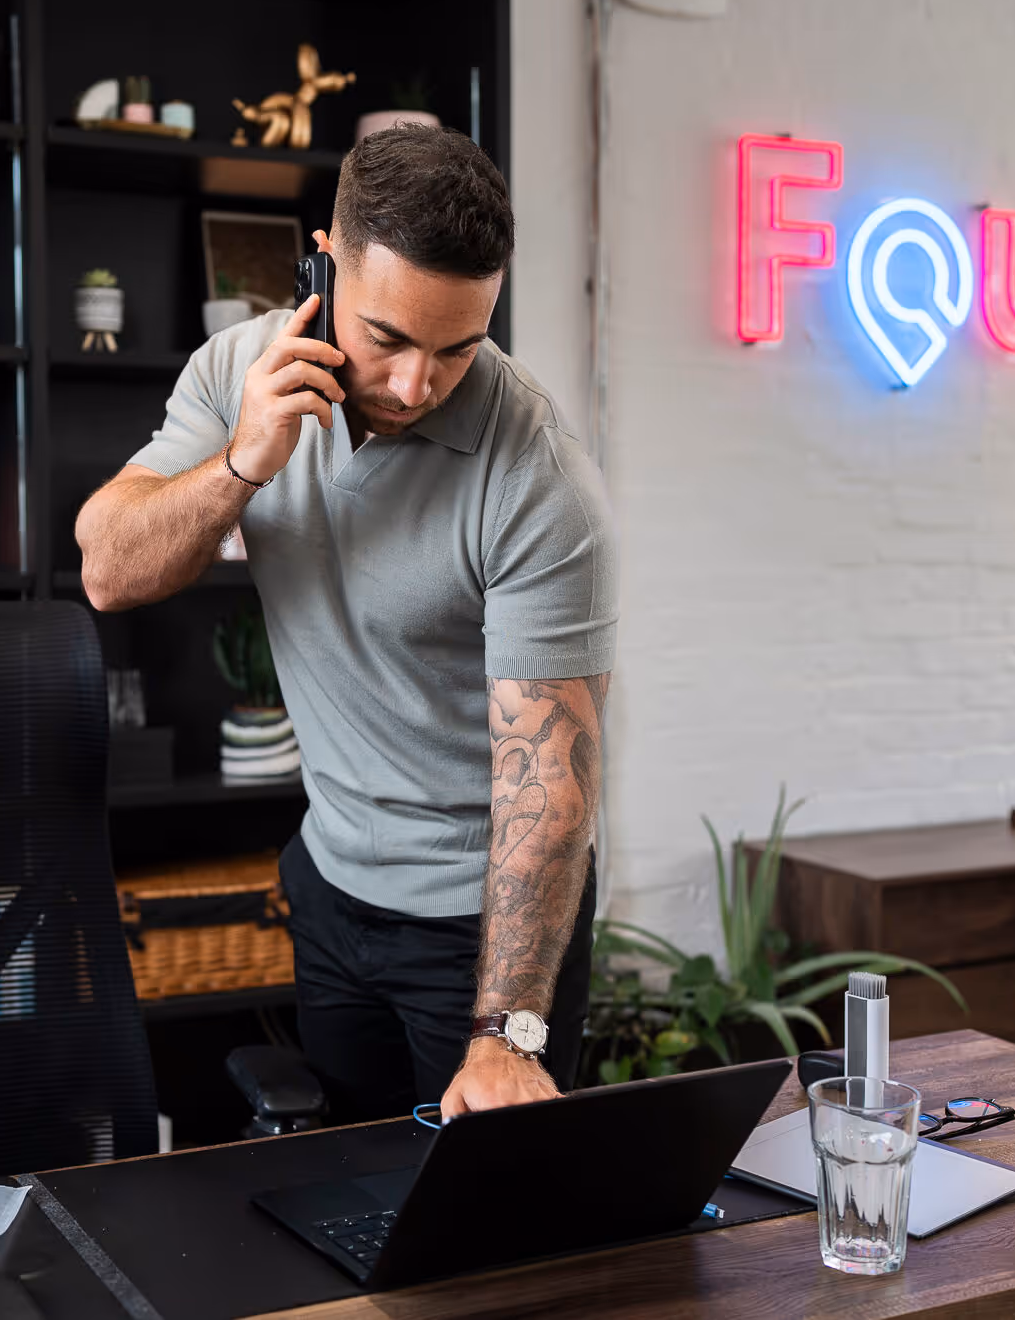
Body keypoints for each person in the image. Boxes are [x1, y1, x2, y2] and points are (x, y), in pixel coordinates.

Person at [76, 124, 615, 1121]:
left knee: (491, 1238)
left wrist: (507, 1037)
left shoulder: (537, 475)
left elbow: (550, 789)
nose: (416, 385)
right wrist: (243, 459)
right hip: (331, 886)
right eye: (389, 340)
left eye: (457, 348)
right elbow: (109, 570)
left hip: (485, 930)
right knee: (350, 1208)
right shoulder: (239, 372)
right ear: (319, 262)